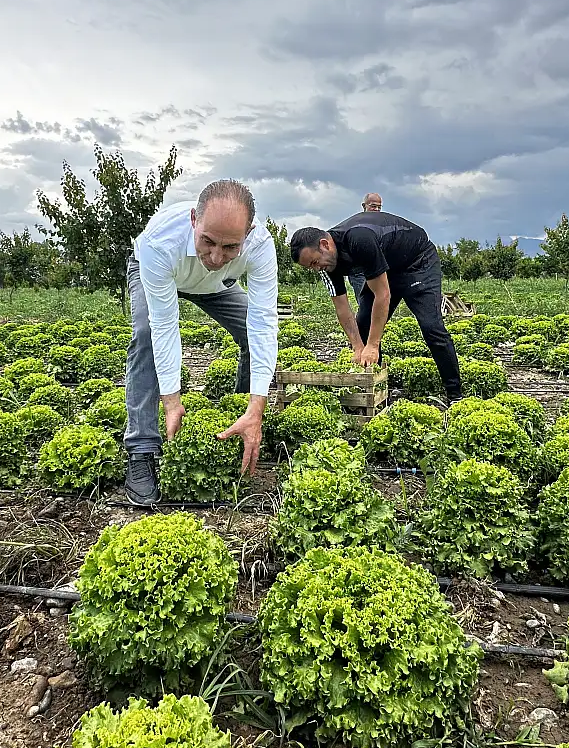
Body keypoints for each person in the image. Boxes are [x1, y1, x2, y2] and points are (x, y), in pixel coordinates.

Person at [123, 179, 279, 504]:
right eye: (207, 241)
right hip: (158, 271)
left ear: (247, 235)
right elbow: (165, 326)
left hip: (216, 286)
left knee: (252, 333)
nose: (216, 255)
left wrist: (256, 408)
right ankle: (141, 448)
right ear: (194, 219)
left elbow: (264, 323)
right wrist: (171, 400)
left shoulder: (260, 245)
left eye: (230, 247)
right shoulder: (159, 242)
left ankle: (237, 418)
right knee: (145, 336)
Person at [290, 209, 462, 403]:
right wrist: (357, 346)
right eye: (310, 267)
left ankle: (455, 394)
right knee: (362, 326)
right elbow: (342, 307)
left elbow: (383, 294)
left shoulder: (358, 239)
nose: (316, 268)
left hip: (418, 262)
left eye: (314, 262)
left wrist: (373, 345)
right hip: (388, 267)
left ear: (324, 245)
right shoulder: (325, 264)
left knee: (431, 327)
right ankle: (375, 392)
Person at [346, 192, 382, 299]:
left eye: (379, 207)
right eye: (373, 206)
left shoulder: (381, 224)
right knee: (364, 303)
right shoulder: (356, 223)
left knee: (378, 301)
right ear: (364, 206)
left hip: (376, 269)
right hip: (358, 271)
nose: (376, 209)